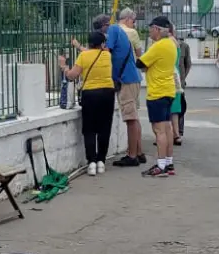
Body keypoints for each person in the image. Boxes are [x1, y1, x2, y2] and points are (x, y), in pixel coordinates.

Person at [61, 27, 115, 176]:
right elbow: (95, 51)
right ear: (102, 44)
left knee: (89, 129)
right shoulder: (107, 55)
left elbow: (72, 75)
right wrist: (79, 47)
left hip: (90, 94)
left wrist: (64, 67)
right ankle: (101, 162)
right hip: (108, 93)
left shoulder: (83, 57)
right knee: (105, 128)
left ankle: (91, 162)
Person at [94, 14, 146, 168]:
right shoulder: (118, 31)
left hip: (126, 80)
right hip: (131, 77)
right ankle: (139, 152)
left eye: (100, 32)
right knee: (133, 117)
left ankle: (132, 156)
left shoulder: (114, 30)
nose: (101, 36)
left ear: (104, 25)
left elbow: (105, 53)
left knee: (130, 118)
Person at [136, 16, 177, 177]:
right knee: (167, 129)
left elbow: (140, 64)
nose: (150, 31)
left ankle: (160, 165)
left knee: (159, 130)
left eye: (151, 28)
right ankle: (168, 162)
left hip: (157, 92)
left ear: (158, 30)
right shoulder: (171, 44)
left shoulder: (158, 46)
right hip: (168, 90)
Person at [175, 25, 192, 137]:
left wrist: (183, 78)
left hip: (179, 83)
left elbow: (188, 64)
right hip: (165, 82)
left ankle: (179, 132)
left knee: (179, 106)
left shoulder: (184, 46)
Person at [169, 28, 184, 145]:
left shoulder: (168, 42)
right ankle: (176, 134)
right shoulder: (176, 43)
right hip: (177, 76)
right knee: (174, 110)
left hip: (169, 76)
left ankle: (169, 134)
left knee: (167, 108)